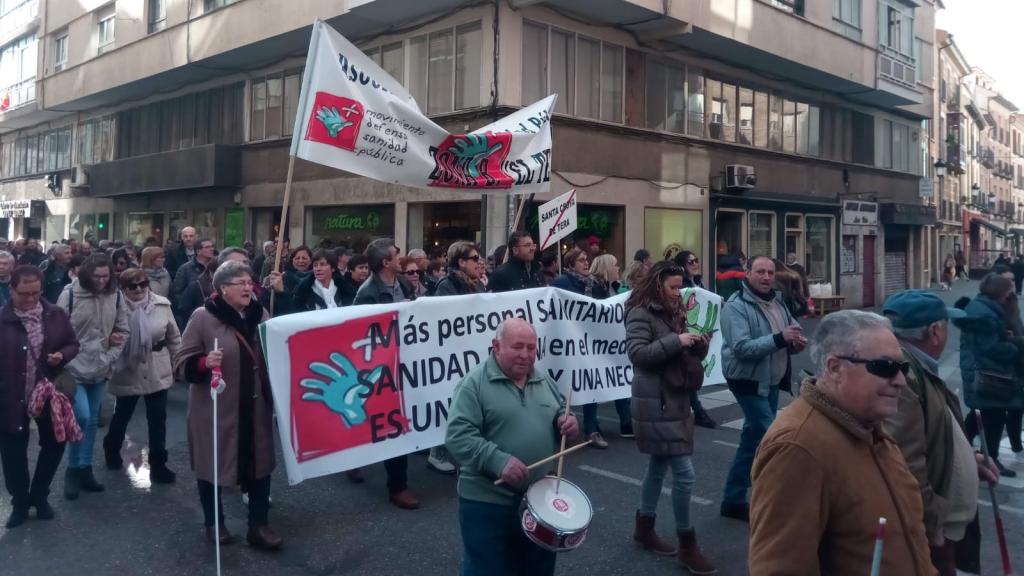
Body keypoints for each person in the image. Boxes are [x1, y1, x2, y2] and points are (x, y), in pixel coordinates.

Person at [748, 310, 935, 575]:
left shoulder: (870, 426)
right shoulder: (797, 447)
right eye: (885, 368)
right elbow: (780, 567)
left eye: (902, 367)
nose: (901, 381)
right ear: (835, 368)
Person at [445, 318, 580, 576]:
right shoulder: (474, 384)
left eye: (531, 348)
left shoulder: (543, 379)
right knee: (486, 570)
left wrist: (568, 422)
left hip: (540, 501)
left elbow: (562, 410)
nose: (526, 355)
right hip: (487, 501)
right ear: (496, 346)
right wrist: (498, 461)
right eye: (518, 347)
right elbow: (458, 435)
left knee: (536, 569)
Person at [881, 290, 997, 575]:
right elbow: (905, 464)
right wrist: (933, 526)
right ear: (934, 331)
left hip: (945, 519)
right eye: (945, 325)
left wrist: (968, 457)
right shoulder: (905, 376)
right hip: (938, 528)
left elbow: (929, 433)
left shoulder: (916, 366)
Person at [174, 260, 281, 550]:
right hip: (216, 408)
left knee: (260, 464)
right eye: (241, 283)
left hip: (256, 407)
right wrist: (203, 362)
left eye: (250, 283)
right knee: (213, 465)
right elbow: (181, 364)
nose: (248, 288)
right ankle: (215, 522)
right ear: (223, 289)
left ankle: (258, 525)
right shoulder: (203, 317)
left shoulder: (260, 314)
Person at [625, 261, 717, 574]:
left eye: (681, 287)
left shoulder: (673, 311)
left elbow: (679, 354)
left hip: (672, 399)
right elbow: (638, 354)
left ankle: (644, 527)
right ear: (657, 284)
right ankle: (687, 544)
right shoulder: (641, 312)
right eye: (673, 287)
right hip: (656, 402)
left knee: (658, 466)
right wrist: (677, 341)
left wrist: (698, 345)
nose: (678, 293)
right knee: (685, 473)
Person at [719, 256, 806, 522]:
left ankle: (732, 500)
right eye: (760, 272)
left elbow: (792, 328)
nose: (766, 277)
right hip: (747, 379)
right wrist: (780, 339)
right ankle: (782, 502)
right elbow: (742, 348)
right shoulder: (736, 307)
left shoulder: (777, 301)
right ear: (747, 274)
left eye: (770, 272)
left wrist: (796, 341)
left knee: (752, 438)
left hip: (769, 379)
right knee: (774, 439)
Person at [0, 266, 79, 528]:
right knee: (13, 452)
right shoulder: (2, 318)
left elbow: (72, 343)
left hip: (48, 395)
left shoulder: (54, 314)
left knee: (55, 443)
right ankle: (20, 502)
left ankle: (40, 494)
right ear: (11, 290)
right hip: (10, 397)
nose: (31, 299)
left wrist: (62, 355)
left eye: (36, 293)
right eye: (24, 293)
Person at [350, 238, 419, 509]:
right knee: (385, 420)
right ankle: (396, 487)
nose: (400, 258)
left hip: (403, 360)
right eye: (395, 255)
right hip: (380, 365)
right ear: (385, 263)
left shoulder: (402, 284)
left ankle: (396, 482)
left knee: (395, 420)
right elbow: (360, 330)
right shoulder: (367, 293)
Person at [56, 253, 130, 500]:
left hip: (100, 368)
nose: (100, 281)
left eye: (105, 276)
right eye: (96, 276)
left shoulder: (116, 295)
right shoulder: (70, 294)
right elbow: (56, 332)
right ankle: (72, 469)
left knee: (89, 423)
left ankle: (84, 468)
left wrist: (109, 356)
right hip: (73, 368)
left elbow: (123, 329)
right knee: (83, 416)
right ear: (86, 274)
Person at [102, 268, 181, 484]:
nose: (139, 289)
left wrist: (180, 361)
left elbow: (174, 336)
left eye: (143, 284)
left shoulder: (162, 304)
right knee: (123, 414)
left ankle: (158, 464)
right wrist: (111, 341)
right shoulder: (114, 306)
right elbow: (103, 334)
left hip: (157, 365)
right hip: (129, 366)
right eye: (132, 286)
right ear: (123, 288)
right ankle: (111, 447)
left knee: (158, 418)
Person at [956, 273, 1024, 478]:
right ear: (998, 293)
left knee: (983, 415)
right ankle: (989, 458)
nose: (1008, 297)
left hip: (982, 371)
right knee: (993, 416)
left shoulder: (985, 308)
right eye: (1007, 293)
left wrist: (1008, 336)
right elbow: (990, 348)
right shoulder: (984, 313)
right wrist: (1016, 346)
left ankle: (961, 450)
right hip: (986, 373)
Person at [673, 250, 717, 429]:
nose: (695, 264)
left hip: (695, 332)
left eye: (696, 260)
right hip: (683, 333)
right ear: (683, 265)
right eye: (692, 261)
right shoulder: (681, 285)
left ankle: (692, 409)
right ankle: (697, 410)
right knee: (687, 370)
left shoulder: (697, 282)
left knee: (688, 371)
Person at [289, 249, 354, 312]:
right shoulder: (302, 292)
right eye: (315, 265)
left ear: (333, 268)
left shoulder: (345, 290)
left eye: (322, 264)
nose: (318, 269)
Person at [172, 238, 216, 328]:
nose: (212, 249)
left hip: (214, 315)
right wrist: (188, 312)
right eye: (207, 247)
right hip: (192, 316)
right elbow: (178, 293)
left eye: (212, 246)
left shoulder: (216, 267)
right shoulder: (185, 269)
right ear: (198, 251)